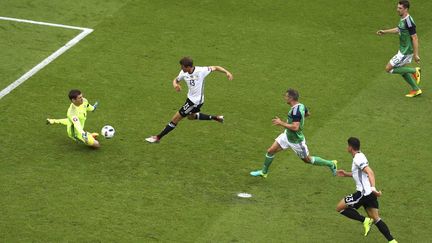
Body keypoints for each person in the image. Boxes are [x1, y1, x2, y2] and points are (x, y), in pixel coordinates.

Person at [250, 88, 337, 178]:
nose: (285, 97)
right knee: (270, 151)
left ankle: (331, 164)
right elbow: (307, 114)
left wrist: (281, 123)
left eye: (286, 96)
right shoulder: (301, 106)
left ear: (291, 98)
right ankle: (264, 172)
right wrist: (299, 120)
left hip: (296, 141)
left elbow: (295, 127)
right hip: (287, 136)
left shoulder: (296, 111)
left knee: (308, 160)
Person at [145, 57, 233, 143]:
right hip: (190, 99)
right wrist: (175, 85)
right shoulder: (183, 72)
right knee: (191, 117)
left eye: (182, 67)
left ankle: (157, 137)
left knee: (175, 119)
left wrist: (227, 72)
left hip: (195, 102)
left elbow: (216, 67)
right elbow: (176, 80)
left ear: (188, 67)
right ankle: (216, 118)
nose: (181, 68)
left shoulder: (201, 71)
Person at [336, 137, 397, 243]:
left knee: (340, 208)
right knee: (377, 219)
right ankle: (392, 241)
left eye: (347, 145)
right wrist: (346, 174)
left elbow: (370, 172)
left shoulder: (357, 159)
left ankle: (365, 220)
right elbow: (360, 174)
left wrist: (373, 188)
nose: (347, 147)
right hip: (369, 194)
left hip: (363, 194)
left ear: (350, 147)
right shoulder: (360, 155)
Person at [377, 0, 421, 97]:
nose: (397, 10)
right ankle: (416, 89)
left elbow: (415, 37)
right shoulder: (403, 19)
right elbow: (398, 29)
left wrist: (416, 54)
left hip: (406, 51)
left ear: (406, 9)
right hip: (403, 49)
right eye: (397, 7)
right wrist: (385, 31)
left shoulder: (409, 21)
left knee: (388, 68)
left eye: (400, 8)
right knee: (402, 70)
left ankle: (415, 71)